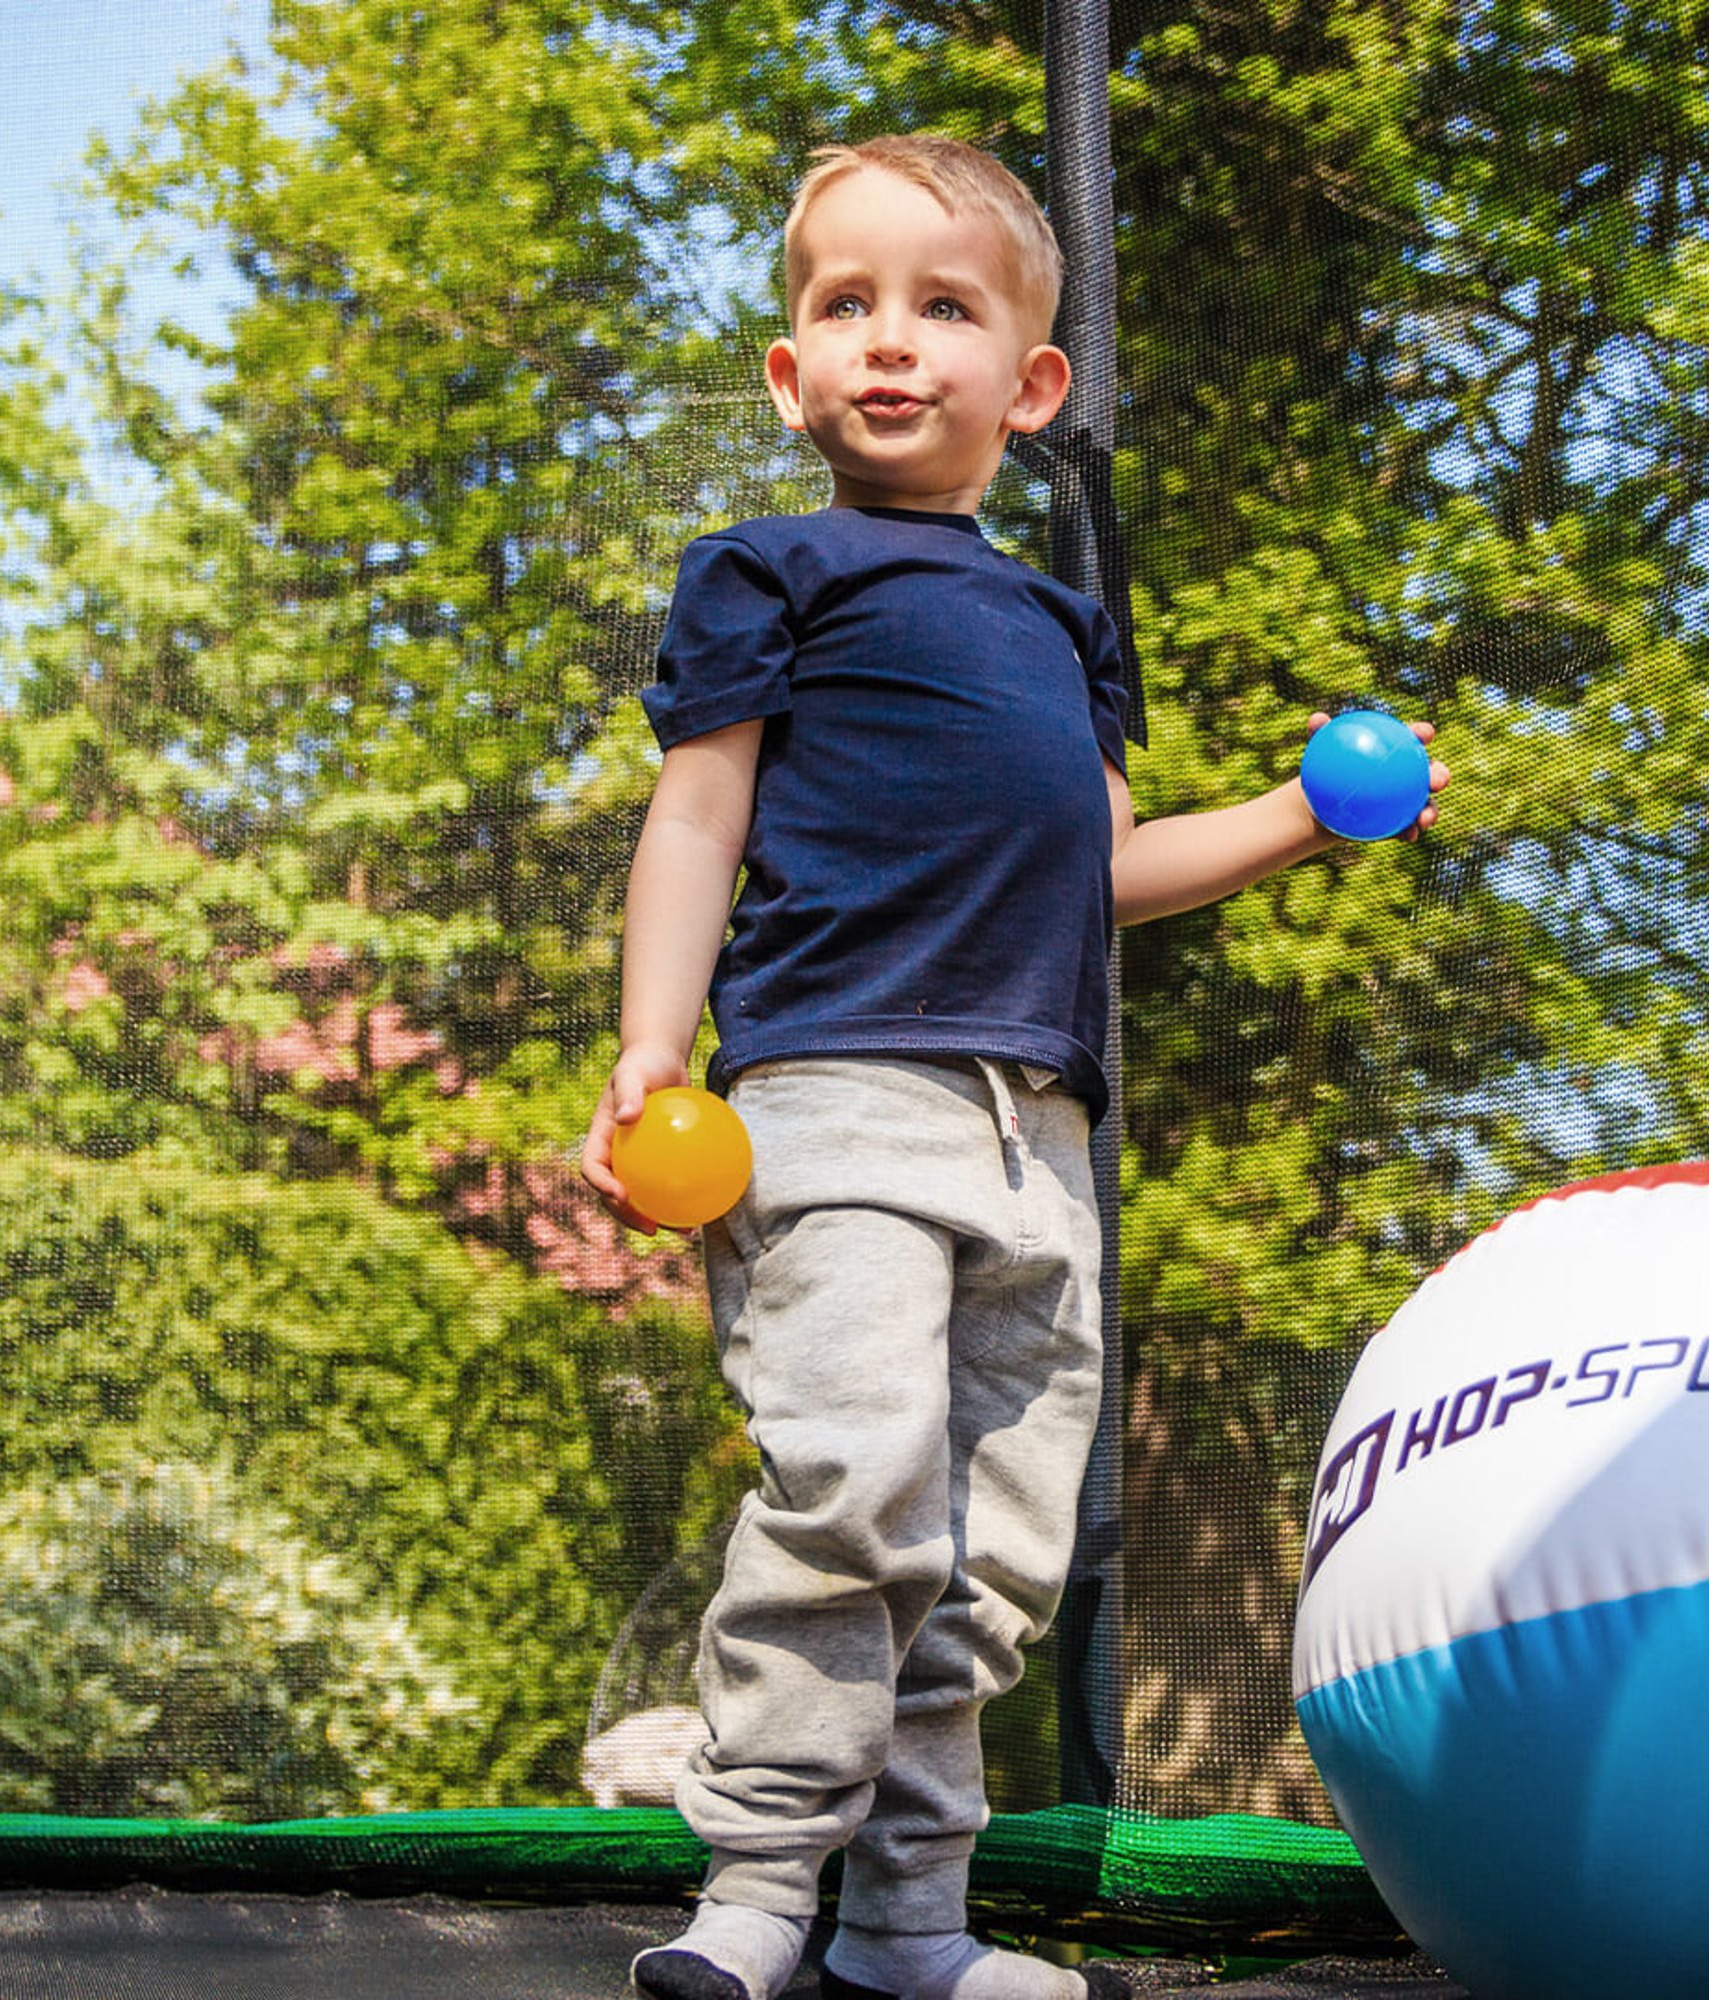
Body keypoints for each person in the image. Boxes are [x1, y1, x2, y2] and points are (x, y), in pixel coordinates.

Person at [580, 133, 1445, 2000]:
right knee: (856, 1482)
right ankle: (752, 1893)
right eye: (845, 305)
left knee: (986, 1553)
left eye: (942, 307)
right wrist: (656, 1039)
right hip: (833, 1098)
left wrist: (1300, 814)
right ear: (790, 373)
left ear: (1031, 384)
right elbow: (697, 818)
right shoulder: (769, 572)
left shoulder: (1066, 628)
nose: (891, 342)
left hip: (1036, 1140)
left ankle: (910, 1927)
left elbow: (1105, 872)